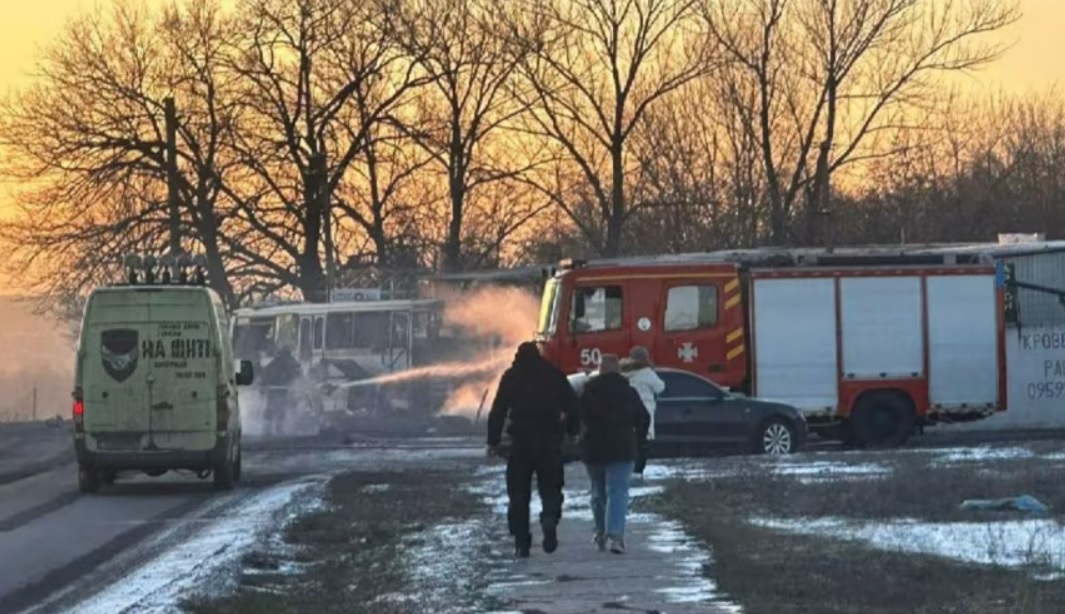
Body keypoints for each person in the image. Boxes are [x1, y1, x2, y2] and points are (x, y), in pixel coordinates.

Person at [486, 341, 580, 558]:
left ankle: (521, 542)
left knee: (518, 494)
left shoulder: (511, 376)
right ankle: (549, 517)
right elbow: (572, 404)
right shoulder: (553, 374)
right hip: (549, 440)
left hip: (521, 442)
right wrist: (572, 429)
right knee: (551, 487)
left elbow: (498, 410)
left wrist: (493, 441)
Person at [579, 354, 650, 554]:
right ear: (618, 370)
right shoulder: (629, 392)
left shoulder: (588, 392)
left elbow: (577, 418)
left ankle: (600, 532)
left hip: (594, 449)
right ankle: (616, 537)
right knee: (618, 491)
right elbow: (643, 418)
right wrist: (638, 439)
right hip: (622, 448)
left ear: (600, 370)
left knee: (598, 492)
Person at [620, 346, 665, 479]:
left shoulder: (622, 371)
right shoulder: (646, 372)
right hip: (644, 410)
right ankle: (637, 472)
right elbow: (660, 387)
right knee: (642, 443)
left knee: (628, 442)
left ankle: (626, 470)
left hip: (625, 411)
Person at [260, 344, 302, 436]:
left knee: (279, 409)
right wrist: (263, 387)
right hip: (275, 390)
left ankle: (277, 428)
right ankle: (268, 429)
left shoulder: (288, 362)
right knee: (272, 408)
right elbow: (266, 374)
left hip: (282, 390)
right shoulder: (276, 364)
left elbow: (297, 371)